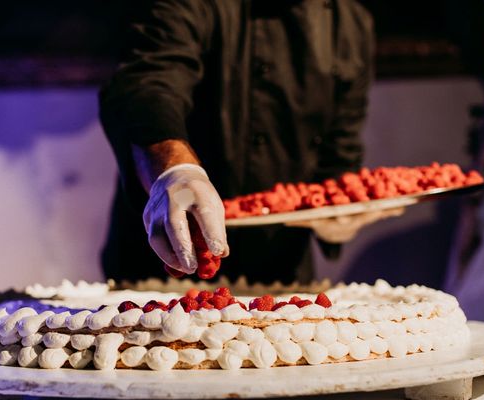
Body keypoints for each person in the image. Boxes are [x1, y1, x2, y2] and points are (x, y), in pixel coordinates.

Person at [100, 0, 400, 284]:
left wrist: (338, 218)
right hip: (166, 266)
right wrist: (175, 169)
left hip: (281, 271)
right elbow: (148, 85)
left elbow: (340, 153)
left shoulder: (352, 23)